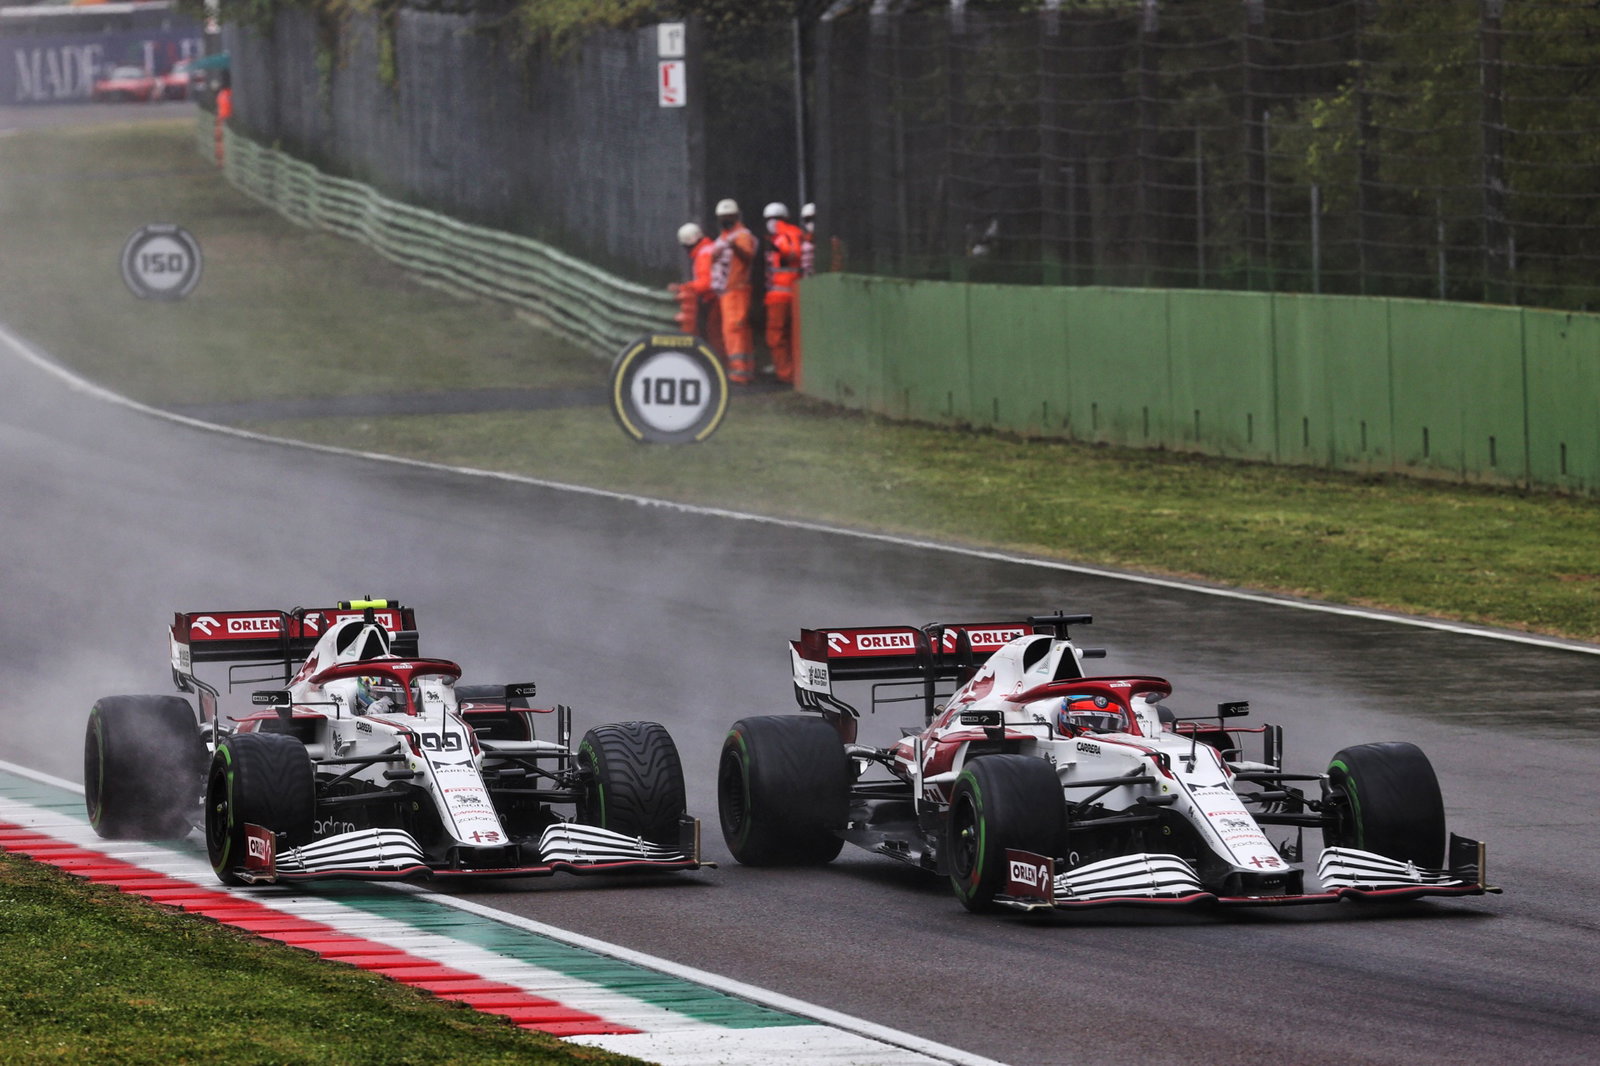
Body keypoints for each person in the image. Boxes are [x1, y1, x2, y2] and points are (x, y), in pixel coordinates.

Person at [709, 198, 758, 384]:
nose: (725, 220)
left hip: (737, 289)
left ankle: (740, 372)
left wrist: (734, 247)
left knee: (734, 330)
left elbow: (748, 256)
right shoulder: (723, 237)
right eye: (722, 217)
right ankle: (744, 370)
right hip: (726, 291)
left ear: (736, 216)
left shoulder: (742, 235)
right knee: (736, 330)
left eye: (728, 217)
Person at [762, 202, 805, 385]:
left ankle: (786, 375)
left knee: (777, 336)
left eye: (775, 219)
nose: (772, 222)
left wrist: (779, 247)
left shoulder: (785, 236)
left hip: (781, 296)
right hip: (791, 294)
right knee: (793, 335)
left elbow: (791, 255)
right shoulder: (789, 235)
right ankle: (793, 372)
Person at [670, 222, 723, 357]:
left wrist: (684, 287)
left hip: (716, 299)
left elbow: (706, 283)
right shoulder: (710, 248)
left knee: (715, 334)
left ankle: (719, 361)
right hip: (720, 297)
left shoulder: (703, 255)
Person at [799, 202, 817, 278]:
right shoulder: (800, 241)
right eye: (807, 220)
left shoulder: (831, 241)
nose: (811, 222)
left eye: (813, 219)